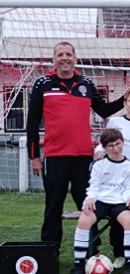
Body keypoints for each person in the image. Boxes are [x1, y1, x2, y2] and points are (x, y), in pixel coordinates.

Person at [26, 41, 124, 245]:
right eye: (60, 54)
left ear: (75, 59)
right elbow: (32, 123)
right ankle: (50, 251)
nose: (65, 58)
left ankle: (92, 251)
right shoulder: (42, 84)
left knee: (87, 205)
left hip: (83, 157)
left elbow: (103, 110)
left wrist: (126, 98)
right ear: (54, 59)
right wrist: (34, 156)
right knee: (53, 206)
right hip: (54, 157)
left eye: (68, 54)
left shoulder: (85, 83)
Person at [64, 129, 130, 274]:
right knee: (84, 221)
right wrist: (89, 199)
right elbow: (94, 187)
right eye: (111, 146)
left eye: (118, 144)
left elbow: (129, 188)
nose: (116, 149)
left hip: (119, 202)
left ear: (123, 142)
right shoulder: (98, 165)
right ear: (104, 147)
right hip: (101, 201)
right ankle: (78, 267)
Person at [94, 84, 130, 269]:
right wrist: (98, 151)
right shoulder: (115, 123)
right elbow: (103, 144)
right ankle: (119, 253)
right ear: (125, 104)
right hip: (114, 177)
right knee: (115, 216)